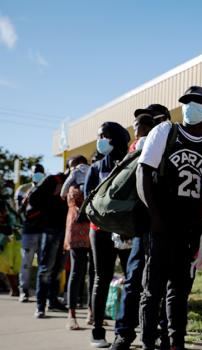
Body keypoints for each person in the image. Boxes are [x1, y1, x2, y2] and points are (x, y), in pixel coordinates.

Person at [136, 86, 202, 350]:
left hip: (190, 230)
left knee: (179, 292)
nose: (190, 106)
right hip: (162, 227)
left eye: (196, 103)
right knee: (153, 291)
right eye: (186, 102)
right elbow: (143, 174)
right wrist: (155, 216)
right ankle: (148, 343)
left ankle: (175, 343)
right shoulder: (166, 132)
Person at [109, 104, 163, 350]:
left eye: (146, 123)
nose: (139, 129)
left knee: (162, 284)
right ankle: (123, 334)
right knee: (133, 281)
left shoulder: (170, 144)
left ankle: (160, 333)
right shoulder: (135, 150)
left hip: (167, 225)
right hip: (143, 226)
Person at [85, 121, 132, 348]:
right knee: (101, 278)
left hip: (126, 232)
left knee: (133, 279)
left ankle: (127, 328)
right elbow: (88, 205)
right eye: (98, 136)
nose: (100, 140)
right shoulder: (95, 168)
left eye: (104, 136)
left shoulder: (131, 162)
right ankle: (97, 330)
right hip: (100, 231)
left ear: (117, 138)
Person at [30, 168, 69, 318]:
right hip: (51, 230)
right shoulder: (54, 180)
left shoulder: (77, 182)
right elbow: (34, 199)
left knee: (58, 269)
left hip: (65, 231)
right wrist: (53, 199)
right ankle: (40, 305)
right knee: (46, 268)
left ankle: (53, 301)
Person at [61, 155, 91, 330]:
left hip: (90, 227)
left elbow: (63, 194)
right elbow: (64, 193)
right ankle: (72, 313)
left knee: (93, 272)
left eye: (73, 166)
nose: (74, 170)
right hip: (76, 228)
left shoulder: (88, 174)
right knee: (77, 271)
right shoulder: (73, 180)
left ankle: (90, 311)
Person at [16, 164, 45, 302]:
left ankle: (42, 293)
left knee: (43, 264)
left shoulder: (47, 187)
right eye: (35, 172)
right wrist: (26, 199)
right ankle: (24, 290)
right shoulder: (23, 189)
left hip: (45, 231)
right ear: (31, 173)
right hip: (28, 231)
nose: (38, 174)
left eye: (40, 172)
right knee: (26, 263)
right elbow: (19, 211)